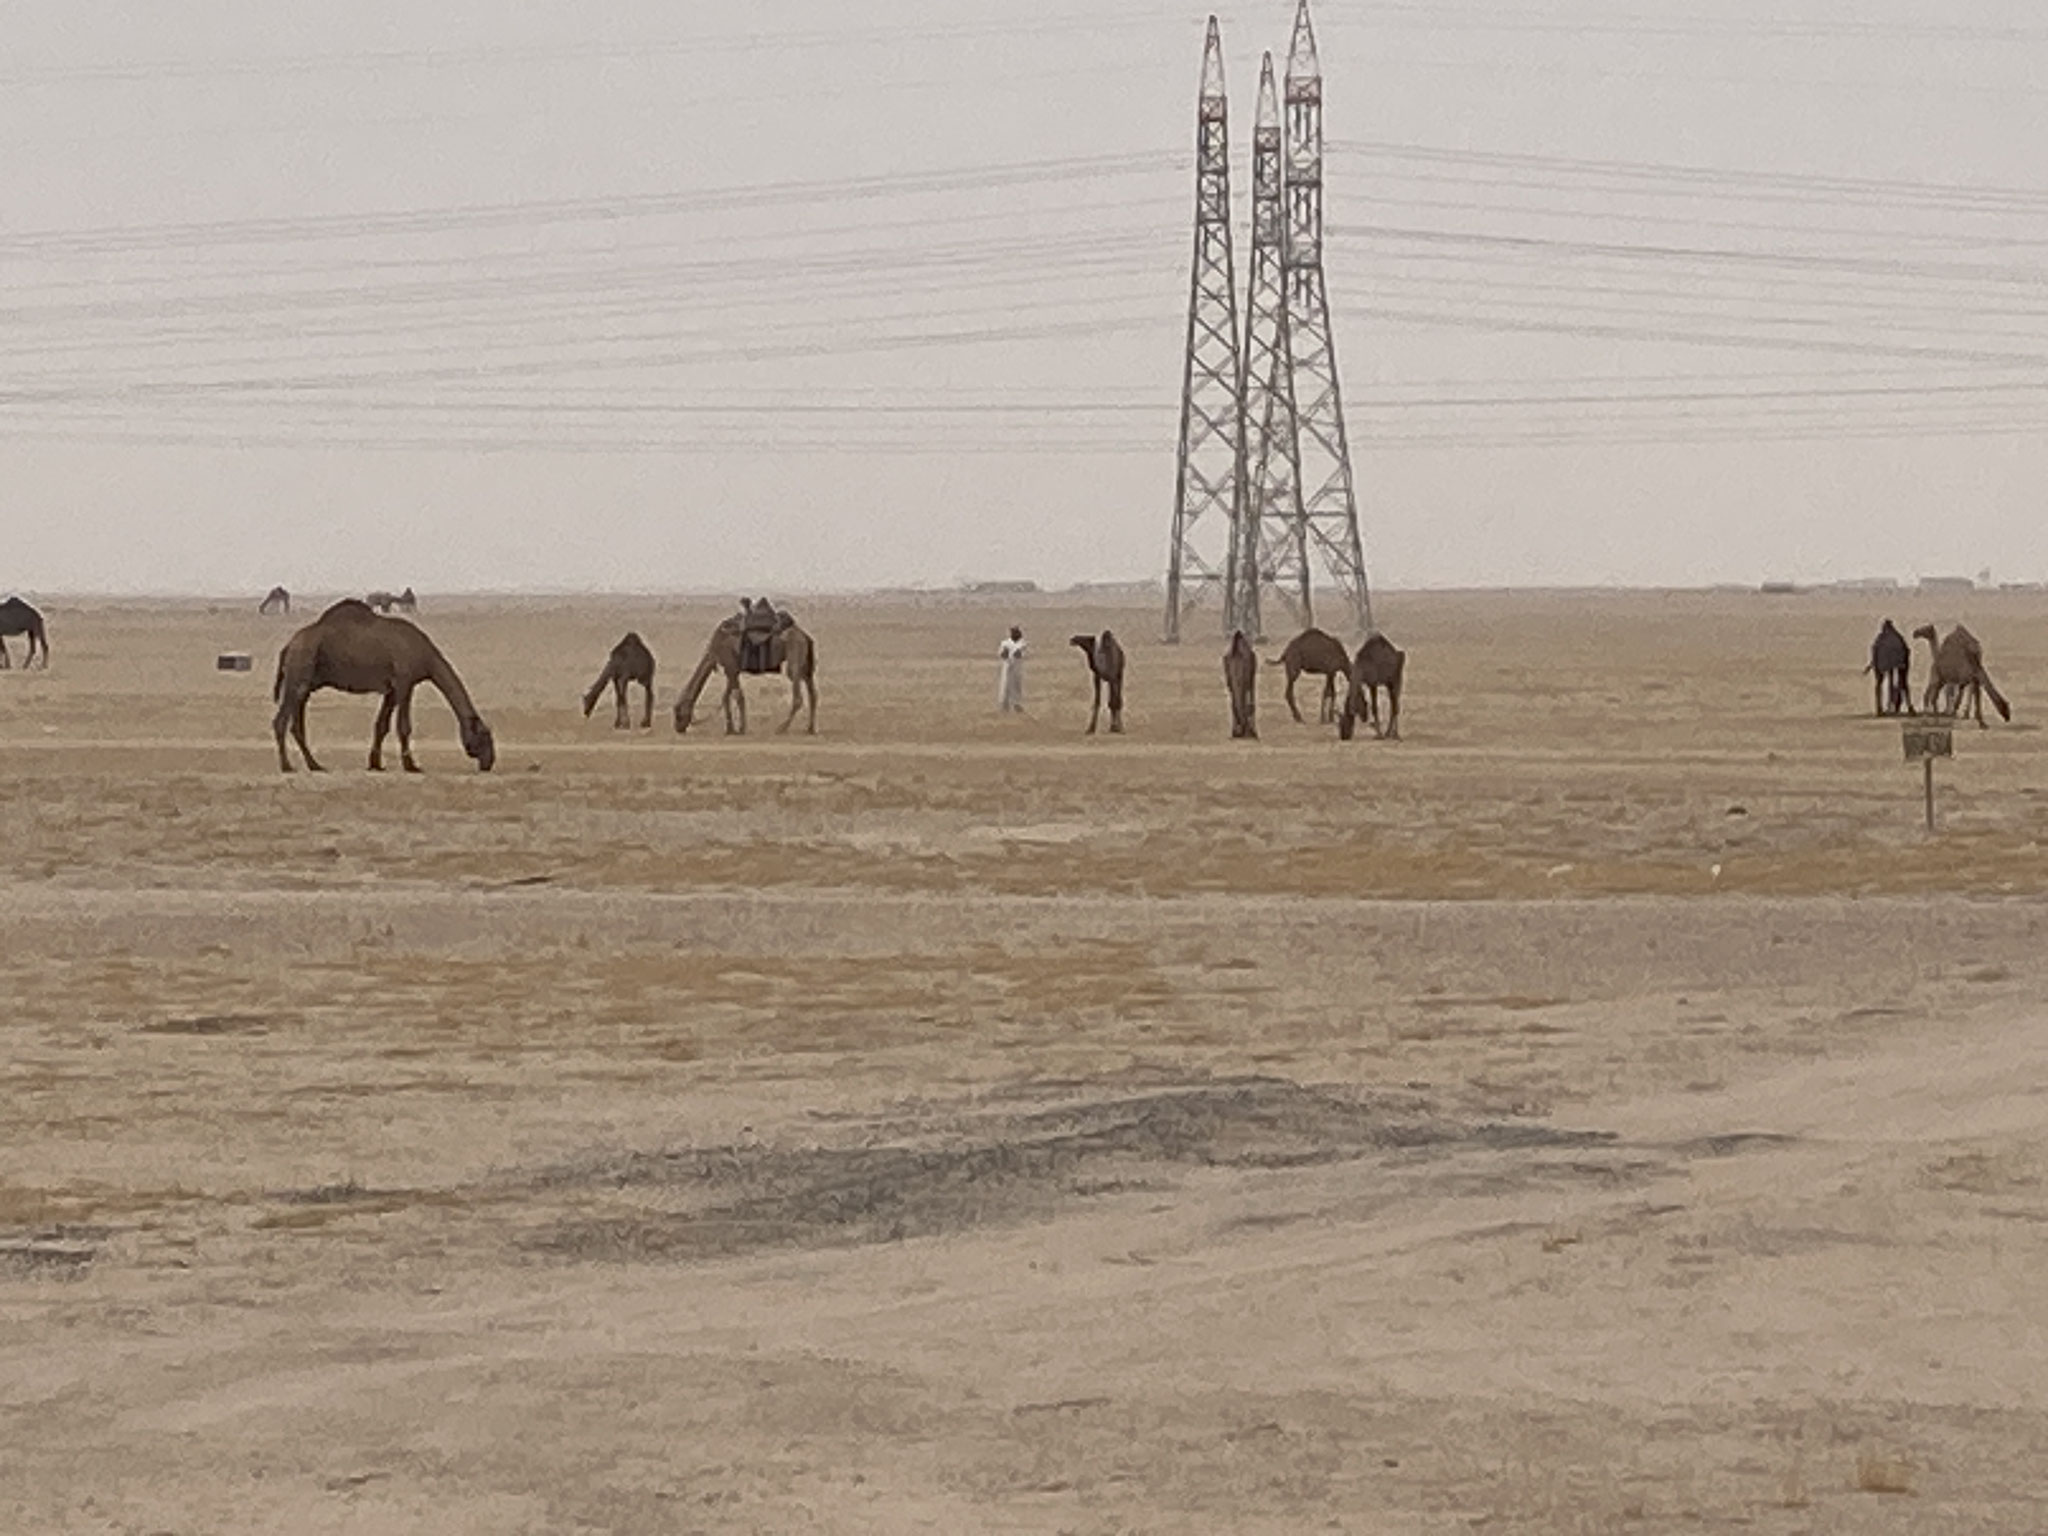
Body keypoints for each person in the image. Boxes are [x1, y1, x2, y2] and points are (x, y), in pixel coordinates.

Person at [996, 625, 1027, 713]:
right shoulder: (1005, 643)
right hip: (1007, 667)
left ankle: (1016, 705)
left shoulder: (1022, 643)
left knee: (1016, 686)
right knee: (1005, 686)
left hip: (1017, 668)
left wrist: (1017, 653)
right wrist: (1004, 653)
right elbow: (1002, 654)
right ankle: (1004, 706)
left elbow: (1020, 654)